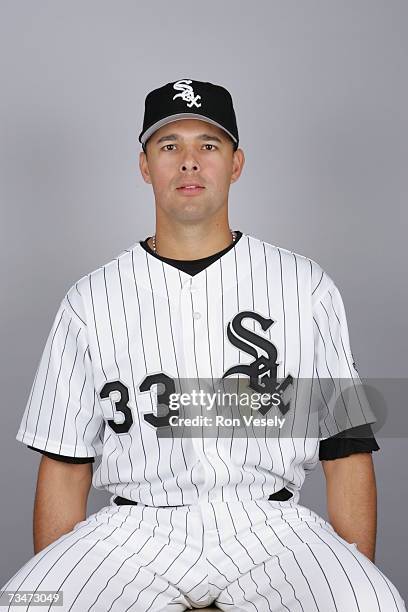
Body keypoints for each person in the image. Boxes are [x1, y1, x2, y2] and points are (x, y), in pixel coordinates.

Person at [1, 78, 405, 611]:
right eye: (169, 146)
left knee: (370, 603)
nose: (189, 162)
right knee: (30, 602)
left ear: (236, 163)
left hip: (271, 526)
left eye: (208, 145)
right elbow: (65, 460)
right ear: (145, 166)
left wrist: (353, 573)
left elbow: (345, 447)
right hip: (135, 528)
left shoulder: (304, 286)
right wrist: (56, 573)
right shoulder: (91, 299)